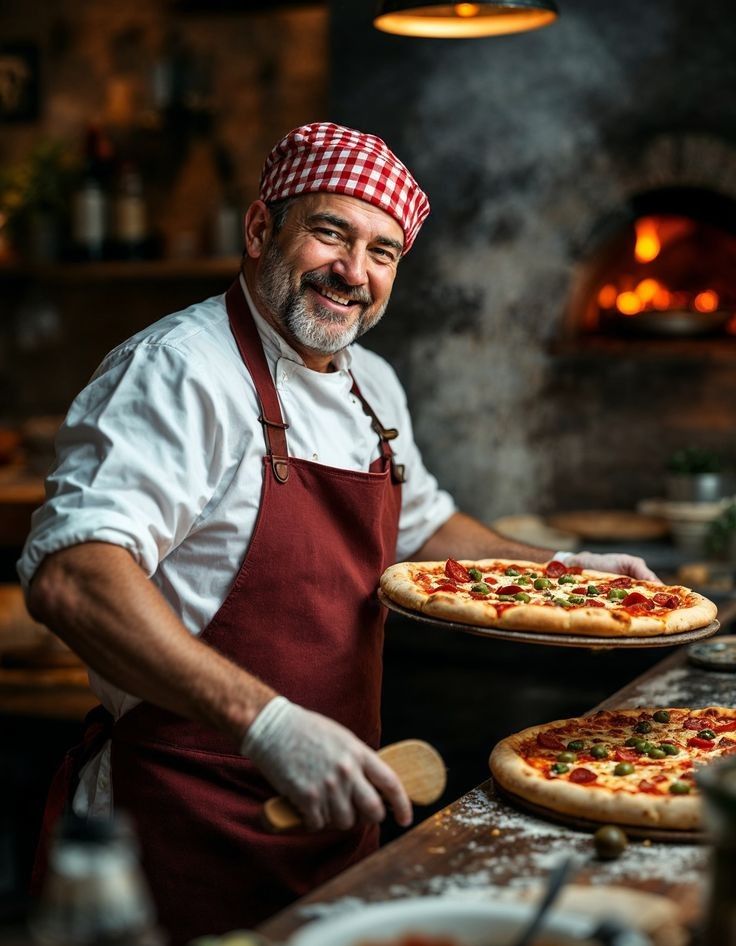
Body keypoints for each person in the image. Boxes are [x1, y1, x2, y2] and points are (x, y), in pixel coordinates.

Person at [19, 123, 656, 943]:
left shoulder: (374, 385)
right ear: (259, 230)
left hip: (339, 812)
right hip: (180, 829)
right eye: (331, 232)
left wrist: (561, 573)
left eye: (383, 252)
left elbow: (423, 526)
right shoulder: (180, 370)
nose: (355, 273)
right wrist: (269, 725)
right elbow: (73, 575)